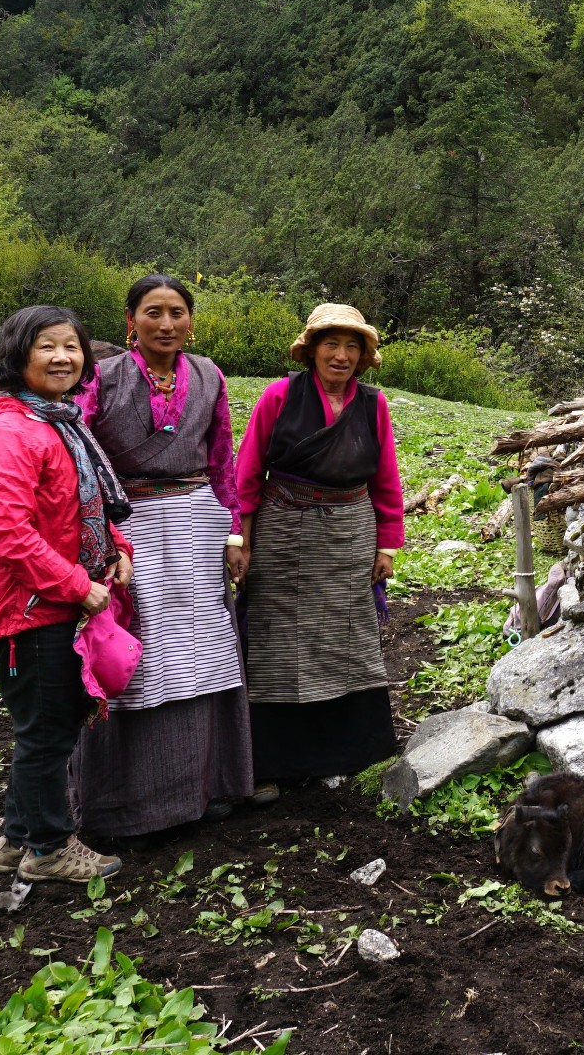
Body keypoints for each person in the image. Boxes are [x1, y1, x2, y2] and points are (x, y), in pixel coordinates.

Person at [70, 275, 252, 839]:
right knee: (136, 646)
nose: (166, 324)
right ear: (131, 319)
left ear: (190, 321)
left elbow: (222, 458)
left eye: (177, 312)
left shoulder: (208, 375)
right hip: (131, 524)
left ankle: (207, 785)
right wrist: (97, 537)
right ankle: (125, 803)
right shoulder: (101, 377)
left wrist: (235, 531)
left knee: (201, 646)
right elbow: (80, 455)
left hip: (198, 521)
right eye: (153, 312)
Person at [0, 305, 132, 883]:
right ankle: (50, 849)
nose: (62, 358)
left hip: (55, 603)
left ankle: (16, 842)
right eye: (46, 347)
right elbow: (5, 532)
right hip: (28, 610)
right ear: (17, 357)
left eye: (71, 347)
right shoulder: (9, 432)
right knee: (47, 733)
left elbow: (78, 504)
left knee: (46, 729)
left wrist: (116, 548)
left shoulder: (57, 422)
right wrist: (76, 586)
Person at [230, 303, 405, 800]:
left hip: (349, 534)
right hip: (282, 530)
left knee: (344, 639)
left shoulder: (373, 405)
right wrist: (240, 539)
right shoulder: (280, 395)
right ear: (311, 349)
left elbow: (386, 481)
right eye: (332, 344)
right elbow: (247, 474)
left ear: (364, 355)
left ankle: (345, 754)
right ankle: (270, 762)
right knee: (274, 640)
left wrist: (387, 544)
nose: (342, 355)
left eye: (353, 346)